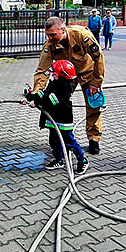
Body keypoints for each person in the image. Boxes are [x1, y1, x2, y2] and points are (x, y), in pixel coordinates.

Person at [31, 16, 105, 154]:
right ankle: (60, 137)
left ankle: (94, 139)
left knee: (93, 106)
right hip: (66, 77)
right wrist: (37, 92)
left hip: (87, 73)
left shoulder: (81, 35)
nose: (50, 38)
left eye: (53, 35)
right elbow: (42, 70)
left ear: (63, 30)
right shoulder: (50, 45)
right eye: (48, 35)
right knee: (56, 104)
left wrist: (96, 82)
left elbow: (98, 57)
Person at [23, 60, 88, 172]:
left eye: (55, 73)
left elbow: (51, 101)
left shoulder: (65, 88)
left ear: (62, 75)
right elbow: (44, 93)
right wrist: (29, 97)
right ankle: (58, 160)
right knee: (54, 141)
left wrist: (37, 103)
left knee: (69, 142)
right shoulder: (54, 82)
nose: (53, 74)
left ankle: (82, 160)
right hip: (53, 118)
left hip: (63, 120)